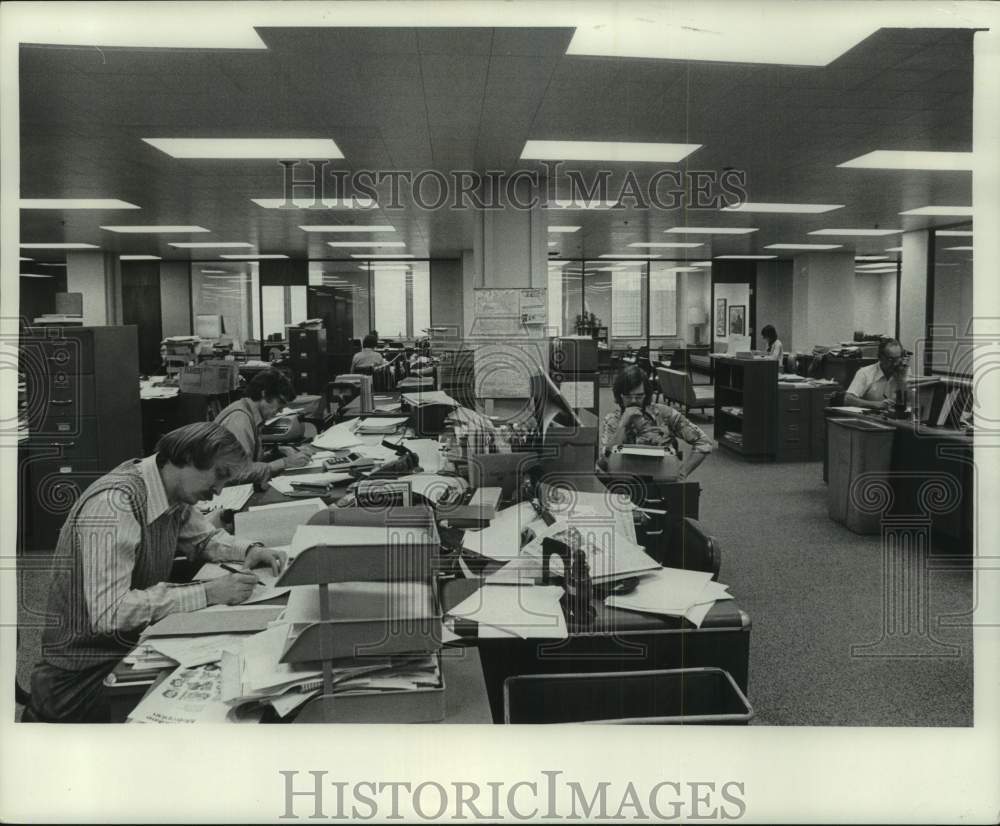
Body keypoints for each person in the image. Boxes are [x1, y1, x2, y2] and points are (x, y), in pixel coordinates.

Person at [28, 422, 286, 723]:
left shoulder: (170, 490)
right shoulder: (115, 505)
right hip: (78, 680)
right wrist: (208, 593)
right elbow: (111, 613)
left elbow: (203, 539)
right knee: (227, 706)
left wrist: (249, 551)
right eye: (219, 475)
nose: (218, 490)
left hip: (127, 650)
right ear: (188, 458)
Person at [599, 365, 713, 479]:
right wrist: (622, 425)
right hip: (625, 482)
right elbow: (604, 462)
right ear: (619, 396)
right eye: (628, 396)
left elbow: (704, 442)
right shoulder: (612, 420)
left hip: (661, 480)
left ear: (647, 394)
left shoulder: (664, 414)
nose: (633, 400)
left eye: (639, 396)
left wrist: (683, 473)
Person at [214, 369, 308, 488]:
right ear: (264, 394)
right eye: (280, 403)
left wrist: (276, 453)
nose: (281, 410)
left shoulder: (248, 412)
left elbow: (248, 460)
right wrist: (285, 463)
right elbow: (236, 473)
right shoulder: (239, 420)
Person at [844, 338, 909, 411]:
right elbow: (848, 399)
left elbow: (913, 402)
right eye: (890, 359)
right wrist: (875, 404)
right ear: (880, 357)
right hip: (870, 419)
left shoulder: (904, 372)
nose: (895, 363)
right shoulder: (865, 373)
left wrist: (902, 380)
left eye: (898, 358)